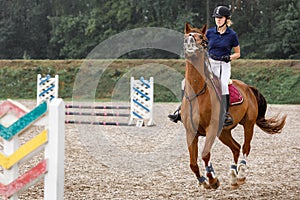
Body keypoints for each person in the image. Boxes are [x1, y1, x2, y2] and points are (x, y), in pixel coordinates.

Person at [168, 5, 240, 126]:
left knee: (223, 84)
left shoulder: (232, 35)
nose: (218, 19)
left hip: (224, 65)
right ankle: (181, 110)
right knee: (184, 82)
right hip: (209, 62)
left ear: (226, 19)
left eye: (220, 17)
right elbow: (202, 44)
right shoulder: (210, 32)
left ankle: (225, 114)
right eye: (216, 17)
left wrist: (229, 57)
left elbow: (238, 53)